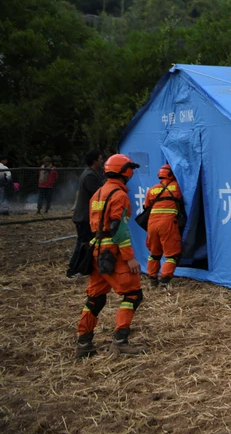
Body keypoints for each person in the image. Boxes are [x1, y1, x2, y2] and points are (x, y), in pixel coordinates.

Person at [75, 154, 144, 358]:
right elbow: (118, 227)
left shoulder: (98, 193)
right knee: (133, 294)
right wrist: (129, 257)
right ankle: (121, 341)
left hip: (96, 250)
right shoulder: (119, 195)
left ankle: (84, 342)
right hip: (111, 252)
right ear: (125, 171)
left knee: (95, 298)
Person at [143, 164, 184, 289]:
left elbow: (146, 207)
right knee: (172, 255)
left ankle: (152, 279)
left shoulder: (152, 189)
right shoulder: (177, 187)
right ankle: (164, 281)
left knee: (154, 253)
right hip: (167, 224)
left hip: (152, 224)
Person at [67, 150, 105, 278]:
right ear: (94, 161)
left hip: (84, 216)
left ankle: (82, 268)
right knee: (82, 244)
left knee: (85, 243)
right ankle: (73, 269)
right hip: (84, 217)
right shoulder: (89, 176)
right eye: (100, 159)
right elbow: (99, 194)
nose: (102, 161)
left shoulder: (91, 174)